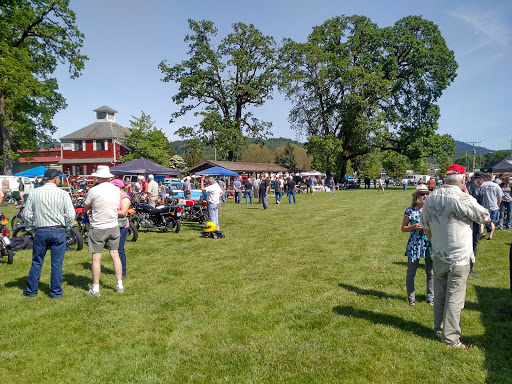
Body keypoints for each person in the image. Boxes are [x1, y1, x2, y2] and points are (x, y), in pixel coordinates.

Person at [421, 164, 490, 349]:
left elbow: (425, 226)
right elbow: (485, 216)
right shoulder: (463, 198)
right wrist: (467, 192)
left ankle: (439, 328)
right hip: (459, 257)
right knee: (455, 299)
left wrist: (435, 242)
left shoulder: (431, 197)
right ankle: (451, 339)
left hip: (439, 253)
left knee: (440, 294)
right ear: (462, 180)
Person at [22, 169, 75, 298]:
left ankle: (31, 291)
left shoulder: (34, 193)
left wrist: (31, 229)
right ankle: (56, 292)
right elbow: (71, 215)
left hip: (41, 230)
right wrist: (66, 229)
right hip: (58, 229)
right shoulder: (63, 193)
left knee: (37, 261)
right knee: (56, 264)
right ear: (56, 178)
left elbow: (27, 215)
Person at [83, 165, 123, 296]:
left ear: (98, 177)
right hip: (113, 224)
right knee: (115, 254)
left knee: (96, 257)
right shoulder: (116, 190)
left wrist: (89, 210)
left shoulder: (94, 190)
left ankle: (95, 288)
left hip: (99, 226)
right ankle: (119, 284)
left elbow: (85, 206)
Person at [401, 184, 433, 307]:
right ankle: (411, 299)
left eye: (427, 193)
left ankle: (431, 299)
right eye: (422, 194)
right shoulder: (410, 210)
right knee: (411, 273)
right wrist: (413, 227)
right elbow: (403, 228)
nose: (425, 196)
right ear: (416, 196)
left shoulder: (431, 210)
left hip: (429, 243)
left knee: (431, 273)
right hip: (414, 244)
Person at [111, 179, 130, 278]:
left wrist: (109, 210)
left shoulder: (125, 198)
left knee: (120, 248)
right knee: (114, 248)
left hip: (122, 226)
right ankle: (118, 269)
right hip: (113, 224)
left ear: (118, 187)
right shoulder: (115, 197)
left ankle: (123, 272)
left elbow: (123, 212)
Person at [477, 172, 503, 240]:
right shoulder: (496, 186)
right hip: (493, 206)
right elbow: (500, 197)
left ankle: (482, 232)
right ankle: (490, 236)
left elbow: (478, 195)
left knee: (482, 221)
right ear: (492, 178)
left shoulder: (481, 185)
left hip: (483, 206)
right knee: (491, 221)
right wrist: (499, 205)